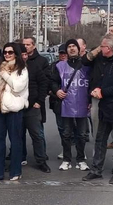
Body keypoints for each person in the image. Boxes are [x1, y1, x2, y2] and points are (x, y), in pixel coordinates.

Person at [83, 34, 113, 183]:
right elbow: (85, 61)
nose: (100, 48)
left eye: (102, 46)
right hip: (104, 106)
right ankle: (96, 169)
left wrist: (103, 92)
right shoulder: (102, 58)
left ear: (109, 48)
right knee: (100, 139)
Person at [0, 42, 29, 181]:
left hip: (14, 109)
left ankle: (16, 171)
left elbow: (17, 87)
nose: (7, 54)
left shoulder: (22, 69)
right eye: (5, 52)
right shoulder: (0, 68)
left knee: (16, 140)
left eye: (10, 52)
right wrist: (0, 75)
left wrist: (5, 75)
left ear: (16, 54)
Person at [51, 39, 90, 172]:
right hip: (66, 104)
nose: (72, 48)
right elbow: (53, 81)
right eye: (69, 47)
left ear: (79, 49)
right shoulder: (60, 66)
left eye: (74, 46)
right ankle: (66, 159)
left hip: (82, 104)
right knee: (66, 134)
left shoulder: (86, 65)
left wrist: (90, 100)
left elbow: (93, 81)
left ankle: (81, 159)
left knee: (82, 134)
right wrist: (57, 91)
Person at [21, 37, 50, 171]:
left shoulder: (38, 64)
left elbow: (44, 82)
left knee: (37, 135)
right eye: (24, 45)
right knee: (18, 135)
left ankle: (41, 160)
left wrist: (39, 101)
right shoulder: (14, 66)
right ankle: (19, 158)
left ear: (33, 46)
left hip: (33, 106)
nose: (26, 47)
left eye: (28, 45)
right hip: (18, 106)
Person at [51, 45, 69, 162]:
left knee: (76, 128)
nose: (63, 55)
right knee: (62, 127)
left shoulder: (75, 65)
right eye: (61, 53)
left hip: (73, 102)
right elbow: (50, 81)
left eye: (64, 53)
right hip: (58, 101)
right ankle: (65, 149)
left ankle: (79, 151)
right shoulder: (54, 66)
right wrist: (55, 91)